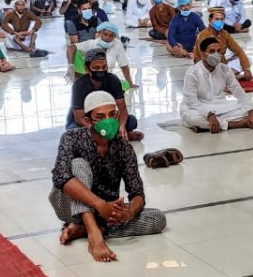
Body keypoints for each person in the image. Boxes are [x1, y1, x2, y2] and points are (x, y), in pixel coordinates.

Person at [49, 91, 167, 262]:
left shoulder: (123, 147)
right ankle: (93, 233)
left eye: (112, 114)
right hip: (68, 204)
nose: (108, 121)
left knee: (157, 219)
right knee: (78, 165)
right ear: (89, 121)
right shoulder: (72, 138)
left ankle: (89, 229)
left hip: (105, 212)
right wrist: (99, 204)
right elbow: (61, 177)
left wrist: (129, 213)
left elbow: (137, 193)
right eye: (101, 116)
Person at [181, 37, 253, 133]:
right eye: (212, 51)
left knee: (247, 111)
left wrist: (251, 111)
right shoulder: (192, 72)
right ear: (202, 54)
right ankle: (235, 125)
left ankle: (208, 126)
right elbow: (191, 101)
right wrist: (209, 115)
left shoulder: (225, 69)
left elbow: (239, 93)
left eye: (218, 51)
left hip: (220, 105)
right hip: (197, 107)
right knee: (192, 118)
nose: (216, 55)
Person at [67, 48, 143, 141]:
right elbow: (80, 119)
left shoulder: (113, 80)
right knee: (73, 131)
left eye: (104, 67)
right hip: (89, 121)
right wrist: (99, 131)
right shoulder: (79, 85)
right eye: (96, 68)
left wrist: (122, 126)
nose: (101, 71)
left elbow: (122, 109)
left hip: (107, 118)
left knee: (131, 121)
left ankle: (117, 134)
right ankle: (116, 137)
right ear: (87, 69)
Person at [68, 21, 137, 88]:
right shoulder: (93, 43)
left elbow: (124, 65)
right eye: (105, 34)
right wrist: (71, 65)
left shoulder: (117, 44)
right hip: (91, 75)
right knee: (75, 53)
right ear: (100, 33)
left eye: (111, 36)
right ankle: (80, 81)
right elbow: (71, 48)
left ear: (115, 36)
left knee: (125, 85)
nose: (107, 38)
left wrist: (130, 83)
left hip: (105, 78)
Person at [193, 7, 253, 80]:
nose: (219, 21)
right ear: (210, 20)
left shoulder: (224, 34)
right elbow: (203, 58)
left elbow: (239, 51)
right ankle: (228, 78)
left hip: (221, 66)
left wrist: (247, 69)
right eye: (217, 19)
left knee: (247, 60)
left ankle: (227, 77)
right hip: (205, 67)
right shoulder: (204, 35)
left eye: (222, 19)